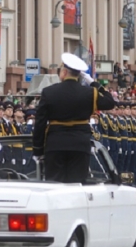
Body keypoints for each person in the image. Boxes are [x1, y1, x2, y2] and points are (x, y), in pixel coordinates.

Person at [32, 53, 116, 184]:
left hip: (55, 145)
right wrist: (93, 83)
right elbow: (110, 102)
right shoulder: (90, 93)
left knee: (55, 185)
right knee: (76, 185)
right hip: (80, 144)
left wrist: (38, 150)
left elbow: (40, 124)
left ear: (64, 72)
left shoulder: (48, 92)